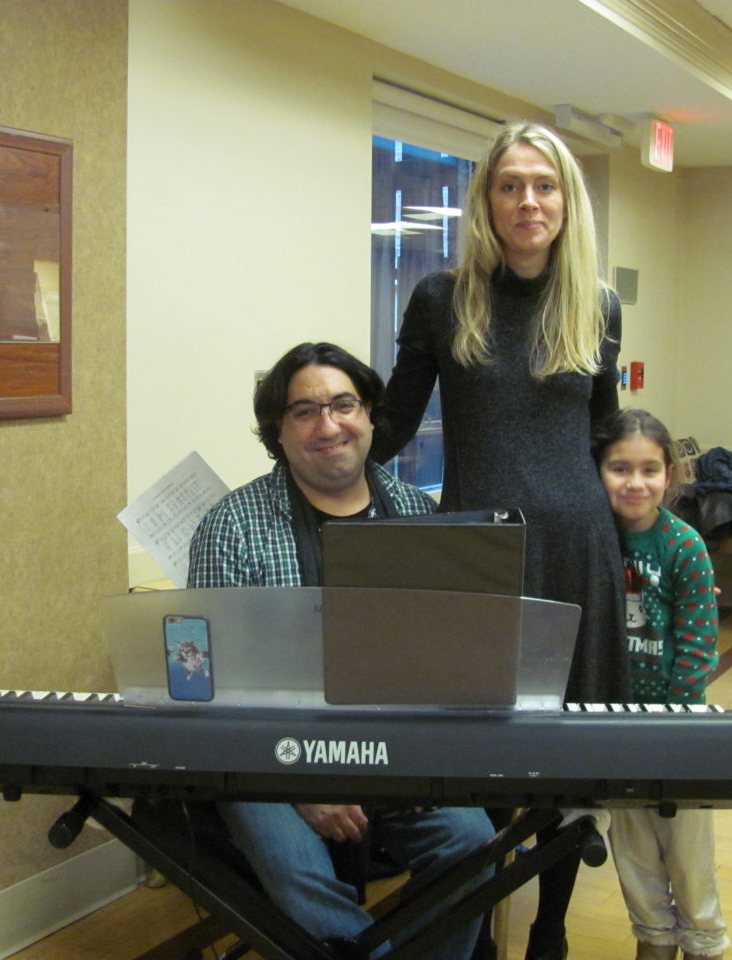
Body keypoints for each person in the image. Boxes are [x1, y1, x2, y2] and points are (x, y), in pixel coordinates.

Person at [370, 120, 629, 959]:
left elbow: (600, 432)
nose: (528, 201)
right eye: (510, 184)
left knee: (561, 757)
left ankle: (549, 928)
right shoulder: (441, 299)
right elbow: (393, 426)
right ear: (485, 199)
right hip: (476, 554)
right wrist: (314, 441)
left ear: (567, 201)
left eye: (544, 185)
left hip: (577, 551)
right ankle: (475, 927)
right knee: (478, 756)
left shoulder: (598, 304)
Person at [187, 341, 493, 960]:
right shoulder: (233, 525)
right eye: (304, 411)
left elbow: (439, 658)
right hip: (269, 756)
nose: (327, 426)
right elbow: (213, 683)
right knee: (300, 877)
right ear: (278, 430)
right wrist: (300, 779)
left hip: (393, 745)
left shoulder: (414, 511)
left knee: (473, 845)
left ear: (371, 414)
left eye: (342, 405)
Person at [591, 408, 728, 960]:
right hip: (614, 726)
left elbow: (696, 647)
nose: (635, 482)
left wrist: (672, 723)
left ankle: (703, 940)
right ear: (597, 471)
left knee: (688, 852)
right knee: (633, 849)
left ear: (669, 474)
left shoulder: (684, 546)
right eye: (619, 468)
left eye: (649, 469)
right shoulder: (594, 540)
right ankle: (653, 939)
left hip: (676, 729)